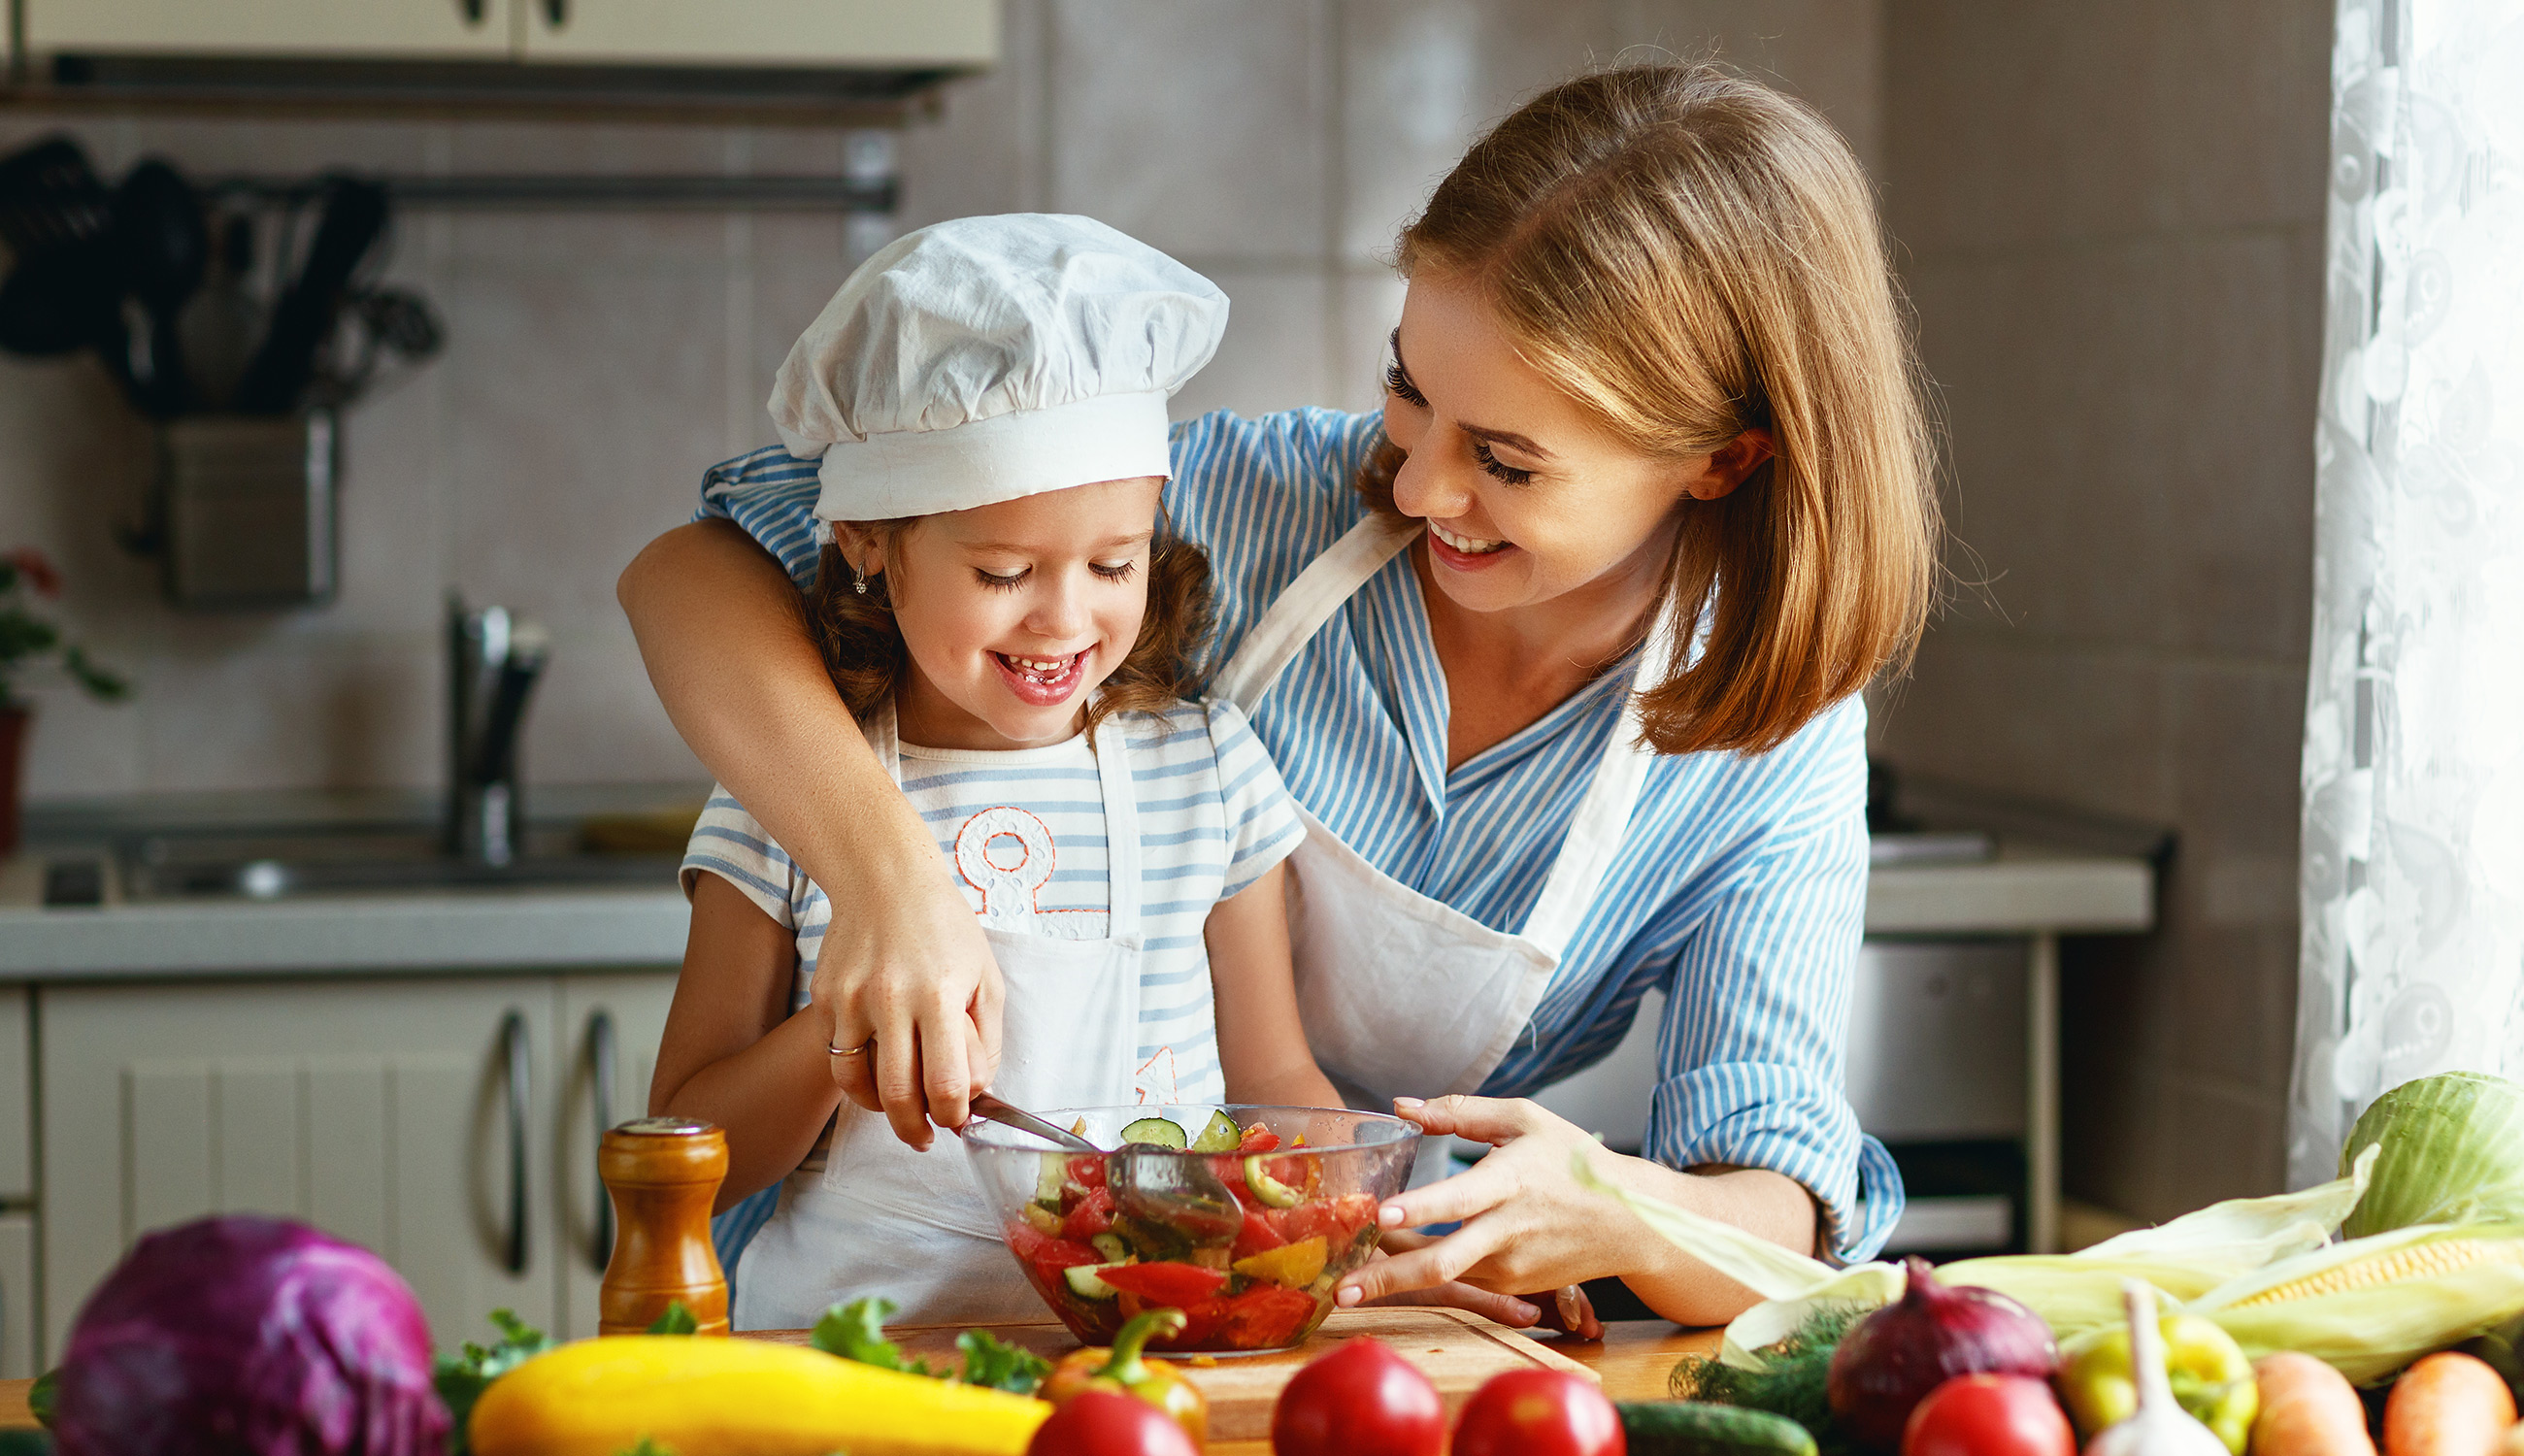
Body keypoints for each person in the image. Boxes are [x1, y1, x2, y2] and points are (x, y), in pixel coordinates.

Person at [622, 61, 1939, 1328]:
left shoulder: (1771, 744)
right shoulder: (1256, 504)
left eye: (1507, 461)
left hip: (1297, 1302)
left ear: (1719, 460)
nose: (1418, 488)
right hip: (832, 1306)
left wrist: (1618, 1210)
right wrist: (891, 883)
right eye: (1409, 392)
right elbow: (696, 571)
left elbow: (1778, 1191)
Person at [648, 214, 1341, 1329]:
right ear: (872, 541)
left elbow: (1280, 1087)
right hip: (843, 1370)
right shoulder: (790, 795)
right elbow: (695, 1154)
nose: (1065, 620)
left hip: (1130, 1368)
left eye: (1114, 562)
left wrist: (1354, 1234)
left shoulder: (1204, 774)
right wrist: (844, 1043)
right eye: (1004, 569)